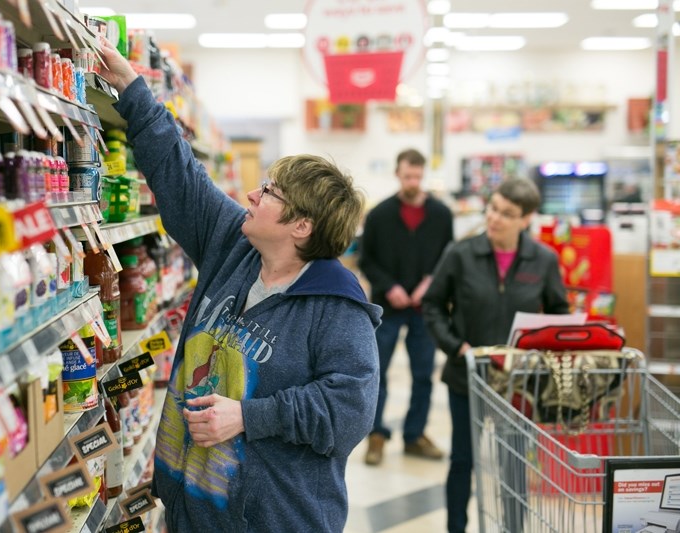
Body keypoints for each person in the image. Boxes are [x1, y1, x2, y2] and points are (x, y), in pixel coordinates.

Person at [98, 40, 381, 532]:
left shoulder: (337, 307)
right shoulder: (235, 244)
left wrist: (251, 415)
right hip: (192, 507)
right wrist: (130, 88)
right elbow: (181, 176)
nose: (252, 193)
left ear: (302, 227)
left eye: (270, 192)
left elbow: (349, 410)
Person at [421, 177, 569, 533]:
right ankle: (456, 527)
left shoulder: (543, 260)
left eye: (507, 213)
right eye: (493, 208)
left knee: (514, 464)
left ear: (527, 218)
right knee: (462, 461)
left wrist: (541, 350)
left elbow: (559, 315)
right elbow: (433, 305)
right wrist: (457, 347)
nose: (495, 218)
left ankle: (513, 528)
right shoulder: (461, 253)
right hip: (466, 377)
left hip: (519, 383)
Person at [358, 148, 453, 465]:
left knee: (423, 375)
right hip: (387, 307)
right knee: (377, 373)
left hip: (424, 310)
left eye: (417, 176)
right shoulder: (380, 214)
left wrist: (430, 282)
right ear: (397, 174)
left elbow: (446, 257)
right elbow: (366, 260)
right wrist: (390, 287)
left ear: (423, 174)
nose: (412, 181)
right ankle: (376, 435)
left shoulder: (441, 214)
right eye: (407, 175)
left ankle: (414, 435)